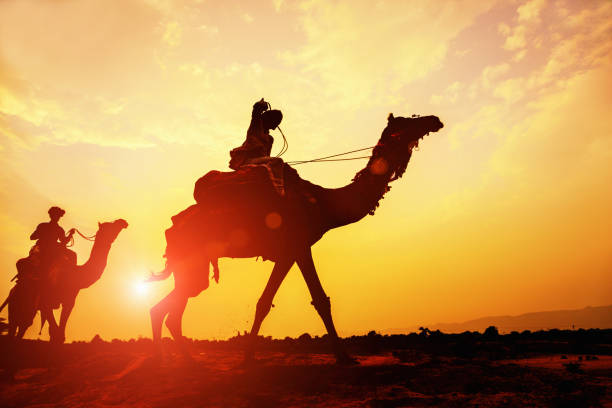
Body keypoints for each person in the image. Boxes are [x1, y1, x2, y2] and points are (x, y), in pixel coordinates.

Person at [229, 98, 285, 195]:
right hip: (247, 161)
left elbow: (266, 156)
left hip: (259, 162)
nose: (275, 128)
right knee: (278, 161)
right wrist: (260, 106)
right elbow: (256, 113)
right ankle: (278, 189)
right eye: (275, 123)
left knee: (278, 164)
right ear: (269, 120)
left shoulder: (270, 139)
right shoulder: (255, 128)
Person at [29, 207, 76, 279]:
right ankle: (71, 276)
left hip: (51, 249)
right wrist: (70, 235)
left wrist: (70, 235)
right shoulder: (55, 228)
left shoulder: (44, 226)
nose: (57, 217)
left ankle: (70, 276)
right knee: (72, 255)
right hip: (46, 249)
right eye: (56, 215)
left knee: (72, 255)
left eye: (57, 216)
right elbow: (32, 237)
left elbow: (63, 241)